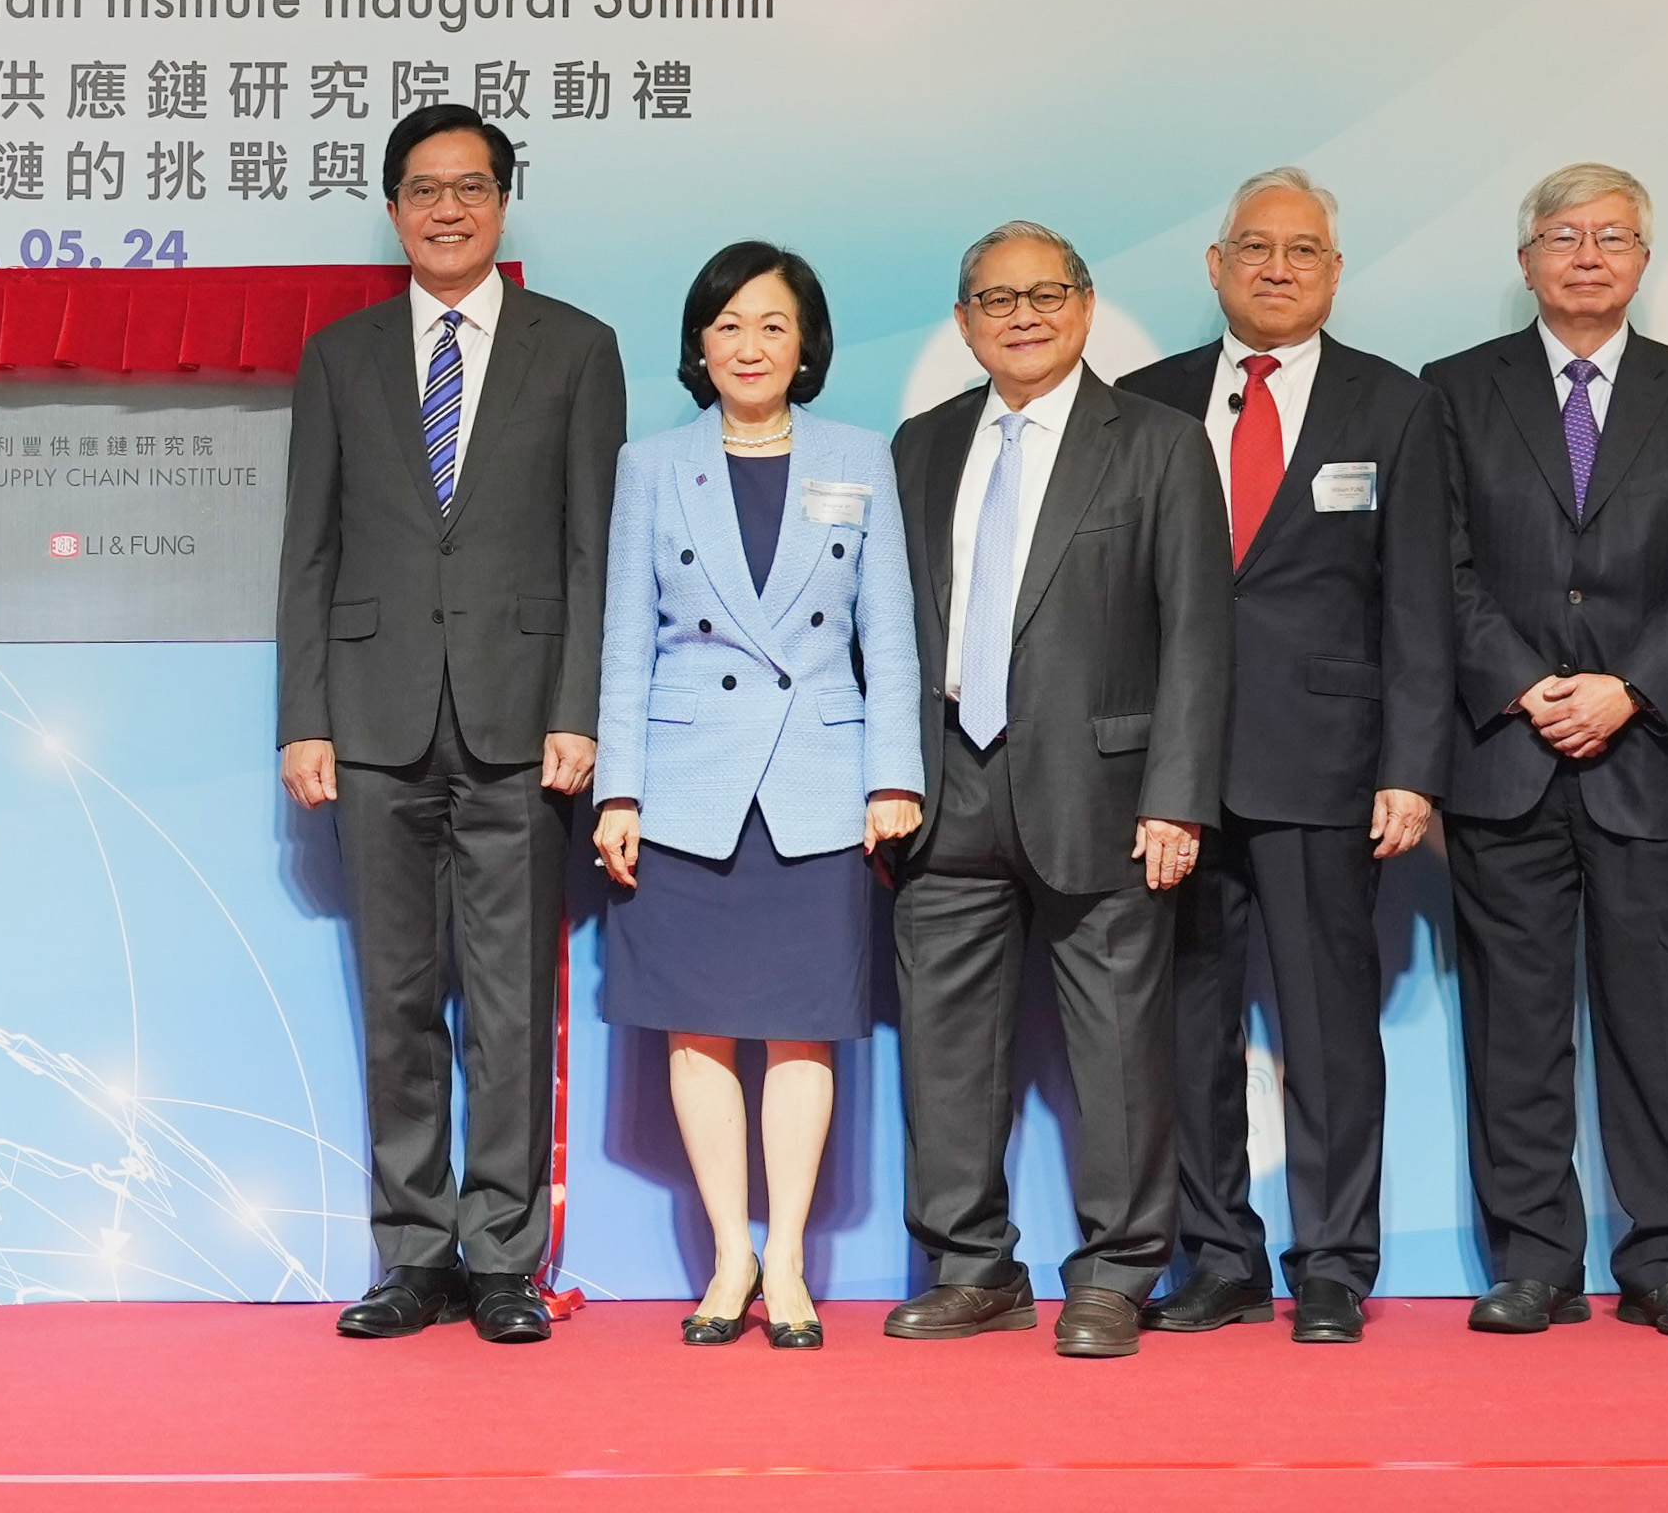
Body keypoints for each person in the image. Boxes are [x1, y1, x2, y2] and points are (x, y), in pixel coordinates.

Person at [277, 102, 623, 1346]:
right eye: (423, 189)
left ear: (501, 200)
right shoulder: (340, 355)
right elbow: (306, 549)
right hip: (370, 723)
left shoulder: (576, 348)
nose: (447, 208)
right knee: (396, 996)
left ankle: (503, 1257)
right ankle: (410, 1250)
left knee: (511, 1000)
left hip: (522, 721)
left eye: (470, 187)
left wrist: (579, 707)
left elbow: (596, 549)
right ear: (391, 207)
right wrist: (302, 716)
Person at [1422, 163, 1668, 1339]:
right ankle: (1533, 1258)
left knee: (1662, 1022)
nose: (1585, 253)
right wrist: (1522, 682)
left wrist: (1629, 687)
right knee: (1511, 1025)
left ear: (1642, 257)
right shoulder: (1455, 392)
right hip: (1501, 757)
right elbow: (1439, 566)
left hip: (1649, 753)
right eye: (1561, 234)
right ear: (1524, 258)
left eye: (1611, 234)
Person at [884, 220, 1228, 1360]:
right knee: (943, 1043)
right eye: (995, 299)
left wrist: (1176, 796)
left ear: (1083, 305)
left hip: (1109, 789)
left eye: (1044, 294)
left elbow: (1196, 636)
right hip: (945, 784)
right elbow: (888, 632)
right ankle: (970, 1264)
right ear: (962, 320)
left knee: (1120, 1046)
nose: (1021, 315)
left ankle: (1117, 1272)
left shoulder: (1160, 442)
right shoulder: (920, 445)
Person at [1122, 170, 1453, 1345]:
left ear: (1333, 272)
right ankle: (1217, 1256)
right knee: (1184, 1032)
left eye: (1301, 250)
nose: (1275, 266)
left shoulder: (1392, 405)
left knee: (1324, 1028)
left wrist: (1410, 766)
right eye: (1252, 247)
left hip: (1328, 766)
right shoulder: (1144, 401)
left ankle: (1331, 1261)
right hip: (1171, 777)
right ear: (1212, 266)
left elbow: (1419, 603)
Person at [588, 242, 921, 1351]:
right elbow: (625, 640)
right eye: (728, 324)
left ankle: (788, 1260)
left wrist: (891, 774)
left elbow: (890, 636)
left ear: (805, 343)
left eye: (772, 324)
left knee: (799, 1033)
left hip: (818, 783)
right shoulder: (650, 463)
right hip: (686, 784)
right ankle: (727, 1252)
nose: (749, 344)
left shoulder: (858, 456)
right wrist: (618, 788)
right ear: (697, 342)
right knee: (697, 1026)